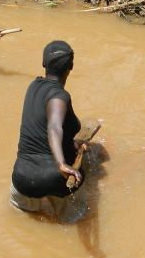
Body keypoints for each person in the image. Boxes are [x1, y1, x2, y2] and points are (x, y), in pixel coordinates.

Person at [10, 41, 94, 223]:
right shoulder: (60, 97)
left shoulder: (32, 87)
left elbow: (45, 130)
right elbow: (54, 127)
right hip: (55, 178)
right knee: (75, 220)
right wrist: (62, 164)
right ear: (71, 67)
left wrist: (74, 145)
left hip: (22, 178)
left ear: (43, 64)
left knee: (25, 225)